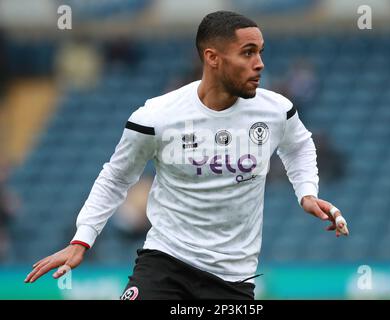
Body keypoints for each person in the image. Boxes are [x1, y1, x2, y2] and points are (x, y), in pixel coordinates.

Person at [24, 11, 349, 300]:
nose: (260, 63)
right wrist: (82, 239)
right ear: (213, 57)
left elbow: (299, 145)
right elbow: (116, 177)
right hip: (165, 263)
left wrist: (306, 192)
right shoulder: (157, 117)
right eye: (248, 53)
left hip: (233, 278)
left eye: (260, 52)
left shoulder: (276, 109)